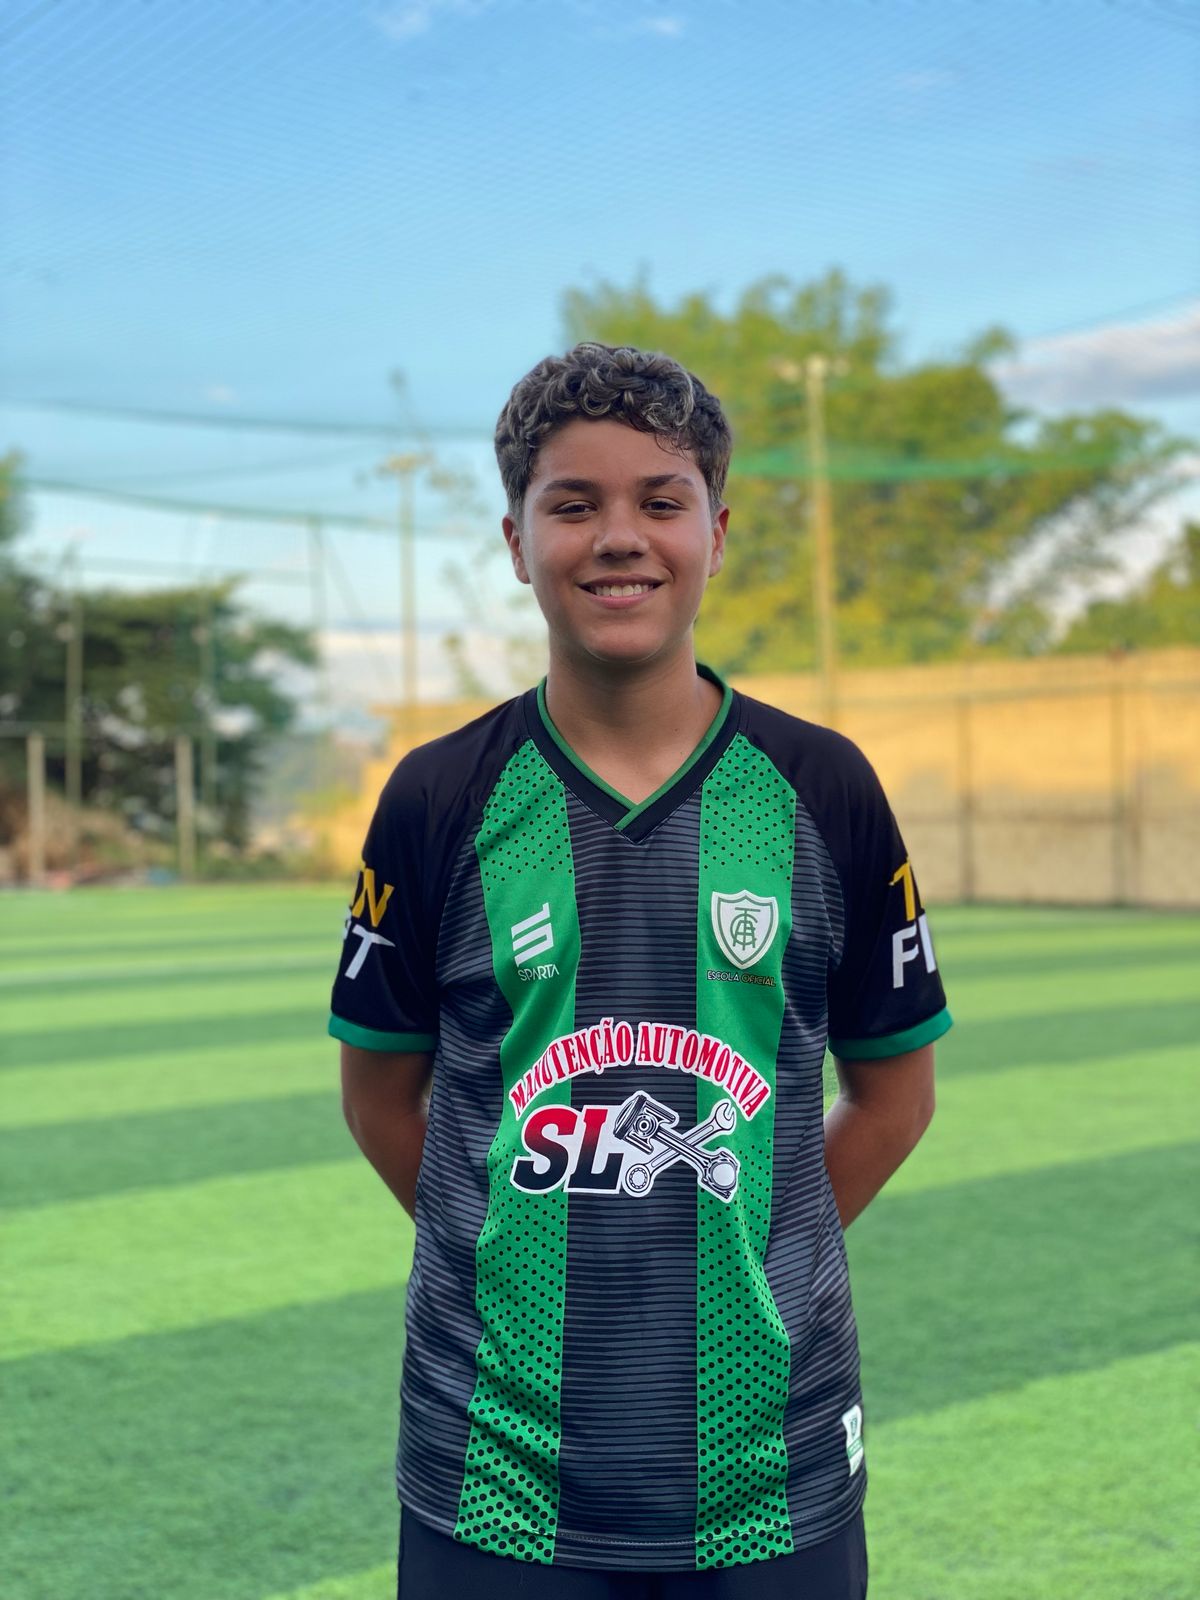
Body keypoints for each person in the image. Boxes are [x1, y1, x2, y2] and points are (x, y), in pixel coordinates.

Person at [329, 342, 951, 1599]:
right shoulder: (439, 796)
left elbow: (895, 1097)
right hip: (493, 1474)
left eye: (660, 500)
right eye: (574, 504)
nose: (620, 536)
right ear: (517, 541)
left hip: (768, 1470)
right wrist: (519, 1251)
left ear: (715, 531)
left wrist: (754, 1246)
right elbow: (381, 1101)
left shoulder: (823, 787)